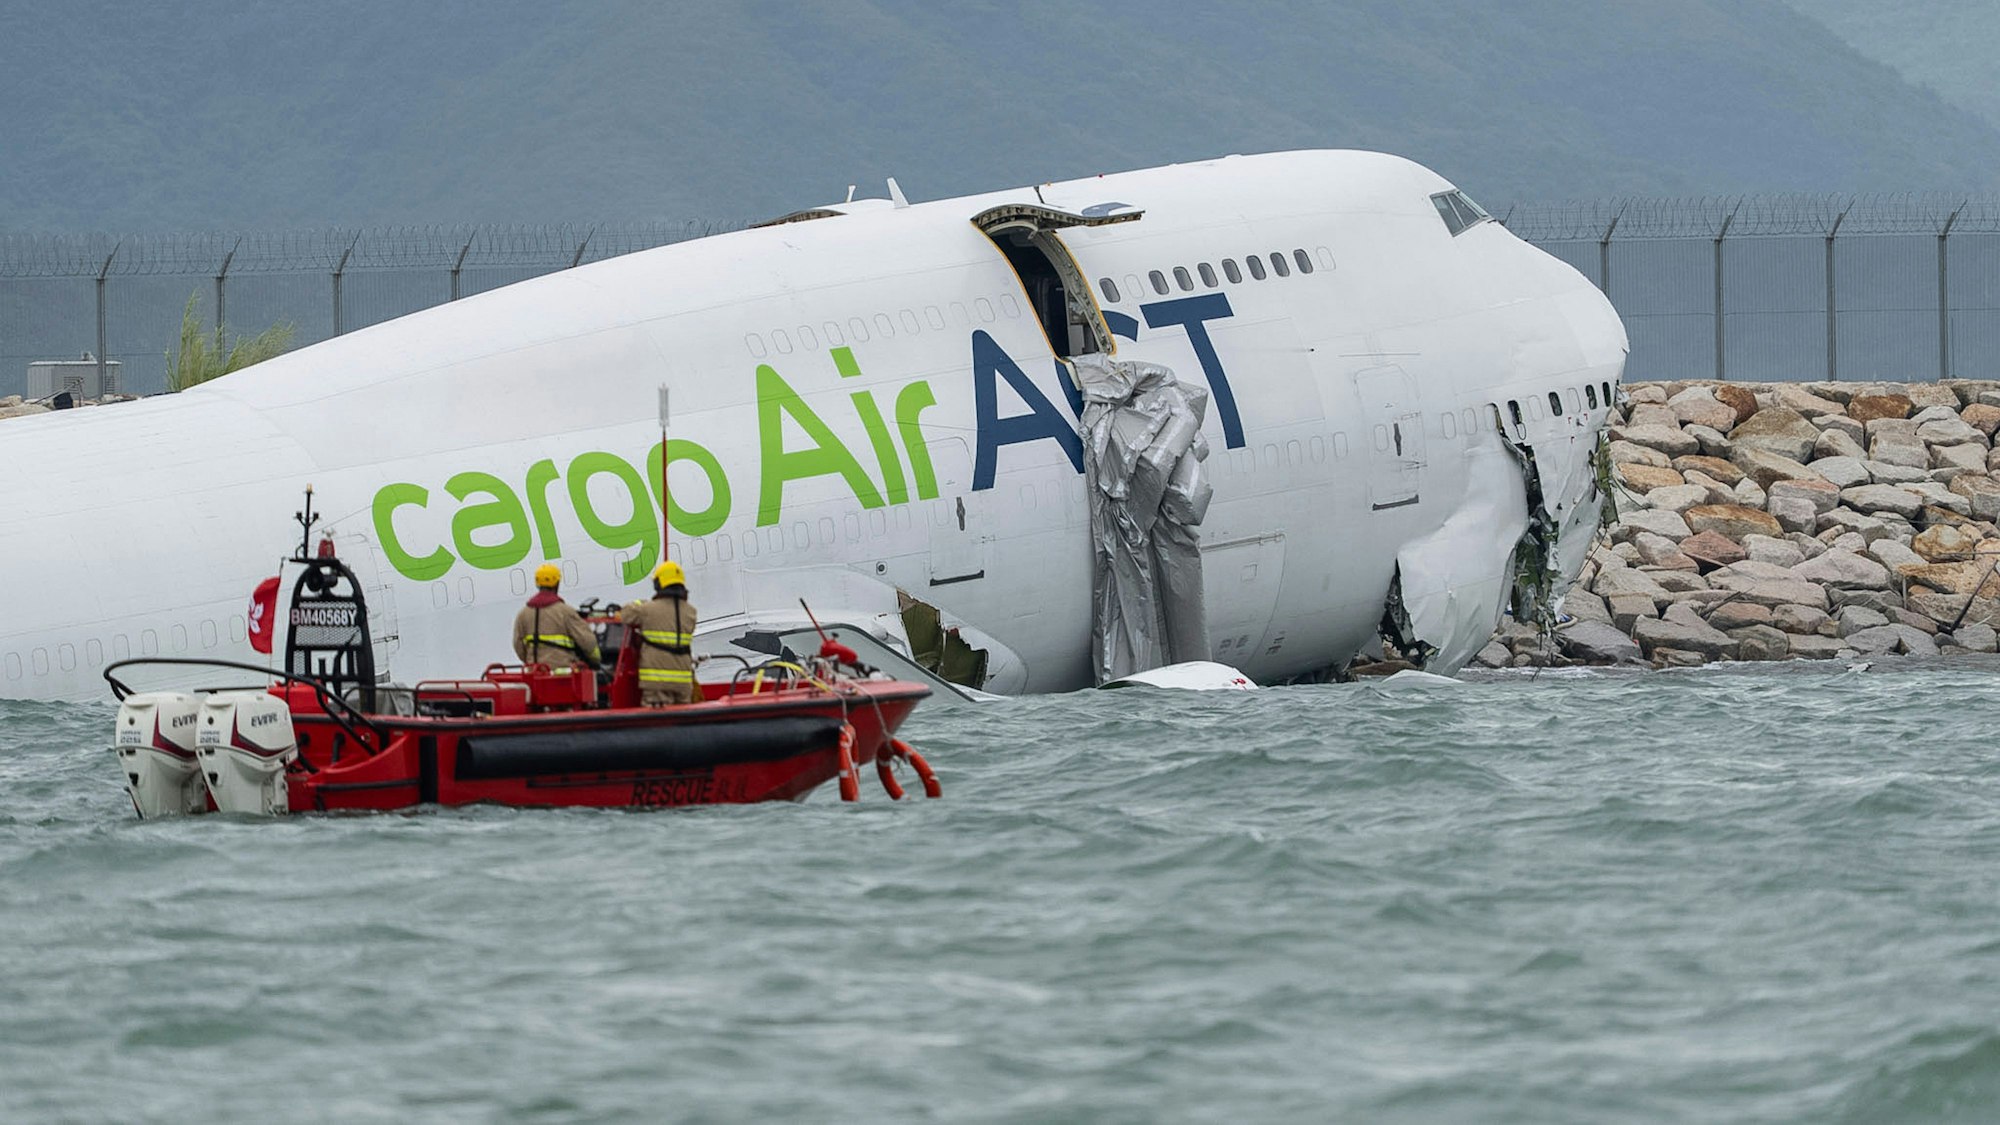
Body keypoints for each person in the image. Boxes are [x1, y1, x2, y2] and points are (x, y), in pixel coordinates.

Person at [622, 560, 698, 707]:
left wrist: (640, 603)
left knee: (658, 722)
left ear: (658, 584)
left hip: (657, 683)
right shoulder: (691, 612)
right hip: (683, 682)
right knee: (683, 720)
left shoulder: (647, 610)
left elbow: (625, 614)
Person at [512, 563, 601, 669]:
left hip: (534, 673)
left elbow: (518, 646)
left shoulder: (523, 614)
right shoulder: (566, 612)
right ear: (557, 583)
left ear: (537, 583)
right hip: (564, 675)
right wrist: (596, 660)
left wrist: (532, 663)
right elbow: (588, 643)